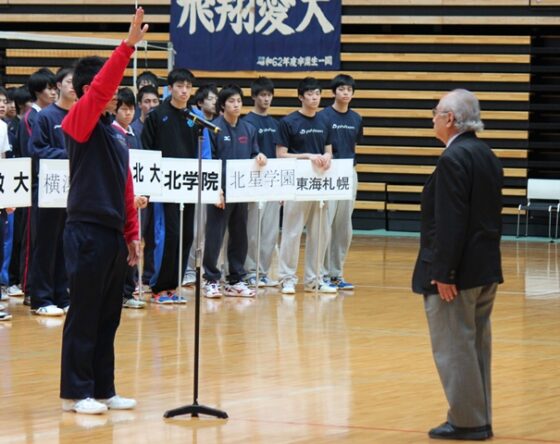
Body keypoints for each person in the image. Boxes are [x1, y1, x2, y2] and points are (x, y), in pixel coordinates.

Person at [59, 8, 146, 415]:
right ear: (88, 90)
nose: (113, 93)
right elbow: (98, 91)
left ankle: (103, 388)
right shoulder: (78, 122)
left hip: (112, 234)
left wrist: (132, 233)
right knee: (85, 312)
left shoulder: (116, 136)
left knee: (109, 315)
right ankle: (77, 392)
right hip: (86, 229)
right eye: (105, 87)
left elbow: (125, 187)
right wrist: (127, 47)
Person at [412, 89, 503, 441]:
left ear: (449, 119)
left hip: (457, 274)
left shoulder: (453, 159)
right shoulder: (486, 154)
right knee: (476, 346)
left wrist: (443, 272)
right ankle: (479, 416)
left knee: (454, 349)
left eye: (436, 113)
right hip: (484, 269)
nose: (432, 118)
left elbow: (450, 222)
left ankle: (468, 422)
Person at [142, 68, 204, 304]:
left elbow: (201, 151)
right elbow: (148, 150)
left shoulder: (194, 117)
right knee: (168, 234)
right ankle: (159, 286)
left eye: (188, 86)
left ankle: (173, 287)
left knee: (186, 236)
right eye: (180, 86)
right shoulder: (157, 116)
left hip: (187, 186)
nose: (184, 90)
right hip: (164, 186)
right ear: (170, 88)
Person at [203, 84, 266, 298]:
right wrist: (215, 189)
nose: (236, 104)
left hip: (242, 192)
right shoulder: (212, 128)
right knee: (215, 234)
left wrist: (259, 157)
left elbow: (255, 153)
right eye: (231, 101)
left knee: (240, 235)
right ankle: (211, 279)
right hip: (220, 192)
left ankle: (236, 279)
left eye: (239, 100)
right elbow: (208, 160)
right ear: (223, 105)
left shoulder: (249, 129)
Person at [275, 77, 336, 294]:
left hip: (320, 185)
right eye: (310, 94)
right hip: (296, 185)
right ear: (301, 96)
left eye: (318, 94)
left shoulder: (325, 121)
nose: (314, 98)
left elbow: (328, 150)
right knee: (292, 232)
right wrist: (307, 156)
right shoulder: (288, 122)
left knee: (320, 232)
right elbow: (281, 155)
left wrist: (328, 157)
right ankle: (286, 278)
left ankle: (315, 279)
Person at [28, 67, 76, 316]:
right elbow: (37, 150)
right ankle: (42, 299)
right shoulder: (45, 116)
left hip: (73, 192)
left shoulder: (80, 115)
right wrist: (69, 156)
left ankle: (62, 294)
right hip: (48, 190)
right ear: (58, 85)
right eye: (68, 82)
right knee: (46, 245)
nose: (72, 87)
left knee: (66, 245)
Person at [319, 74, 362, 290]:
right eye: (342, 89)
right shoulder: (323, 116)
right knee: (325, 224)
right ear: (333, 91)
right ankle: (321, 273)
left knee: (344, 227)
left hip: (348, 173)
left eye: (349, 90)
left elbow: (355, 144)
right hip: (327, 174)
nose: (346, 93)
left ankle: (336, 273)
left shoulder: (356, 118)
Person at [112, 87, 148, 309]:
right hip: (118, 203)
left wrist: (143, 194)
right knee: (121, 249)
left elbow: (142, 169)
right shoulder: (113, 134)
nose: (128, 113)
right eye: (123, 109)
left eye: (131, 109)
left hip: (134, 201)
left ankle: (128, 290)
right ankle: (118, 293)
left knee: (134, 246)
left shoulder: (134, 135)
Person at [242, 77, 280, 288]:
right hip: (254, 185)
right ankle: (249, 272)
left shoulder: (276, 124)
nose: (266, 99)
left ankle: (263, 272)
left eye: (269, 95)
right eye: (262, 95)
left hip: (274, 185)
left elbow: (281, 155)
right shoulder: (247, 123)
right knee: (252, 232)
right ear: (254, 96)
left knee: (270, 232)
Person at [182, 83, 216, 287]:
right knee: (190, 230)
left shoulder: (207, 124)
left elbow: (207, 155)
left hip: (204, 180)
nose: (214, 102)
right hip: (184, 179)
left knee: (203, 230)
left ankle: (202, 270)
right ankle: (187, 270)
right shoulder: (188, 116)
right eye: (211, 98)